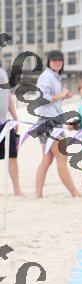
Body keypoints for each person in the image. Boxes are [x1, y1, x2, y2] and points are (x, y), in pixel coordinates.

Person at [34, 50, 81, 199]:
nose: (57, 62)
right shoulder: (46, 76)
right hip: (49, 122)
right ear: (49, 62)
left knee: (47, 159)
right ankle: (74, 192)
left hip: (48, 120)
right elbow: (43, 99)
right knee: (62, 159)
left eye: (60, 60)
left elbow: (51, 102)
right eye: (54, 60)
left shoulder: (53, 77)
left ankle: (38, 194)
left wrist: (64, 97)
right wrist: (62, 94)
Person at [0, 65, 23, 196]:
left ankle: (17, 189)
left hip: (5, 123)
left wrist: (15, 118)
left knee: (12, 156)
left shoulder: (3, 72)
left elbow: (8, 97)